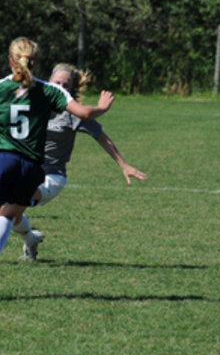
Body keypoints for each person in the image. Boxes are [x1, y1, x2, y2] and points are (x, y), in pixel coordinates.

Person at [0, 36, 114, 300]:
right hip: (31, 168)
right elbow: (84, 113)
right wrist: (102, 107)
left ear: (10, 61)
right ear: (35, 63)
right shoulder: (49, 90)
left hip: (1, 160)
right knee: (7, 215)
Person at [11, 62, 147, 258]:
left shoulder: (74, 114)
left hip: (52, 176)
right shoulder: (33, 103)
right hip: (27, 170)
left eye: (65, 85)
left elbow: (102, 137)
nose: (60, 87)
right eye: (56, 82)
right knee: (11, 213)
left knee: (15, 200)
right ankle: (30, 240)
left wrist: (124, 165)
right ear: (48, 81)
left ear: (72, 89)